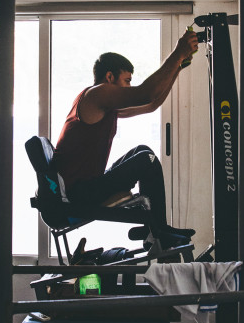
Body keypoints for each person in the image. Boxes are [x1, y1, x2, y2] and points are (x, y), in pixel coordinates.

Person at [52, 28, 200, 249]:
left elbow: (151, 104)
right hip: (78, 196)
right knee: (145, 160)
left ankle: (155, 229)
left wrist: (178, 67)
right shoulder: (97, 94)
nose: (129, 87)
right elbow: (146, 93)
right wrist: (178, 53)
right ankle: (159, 231)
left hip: (86, 188)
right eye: (127, 80)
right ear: (109, 77)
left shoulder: (104, 106)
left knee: (141, 151)